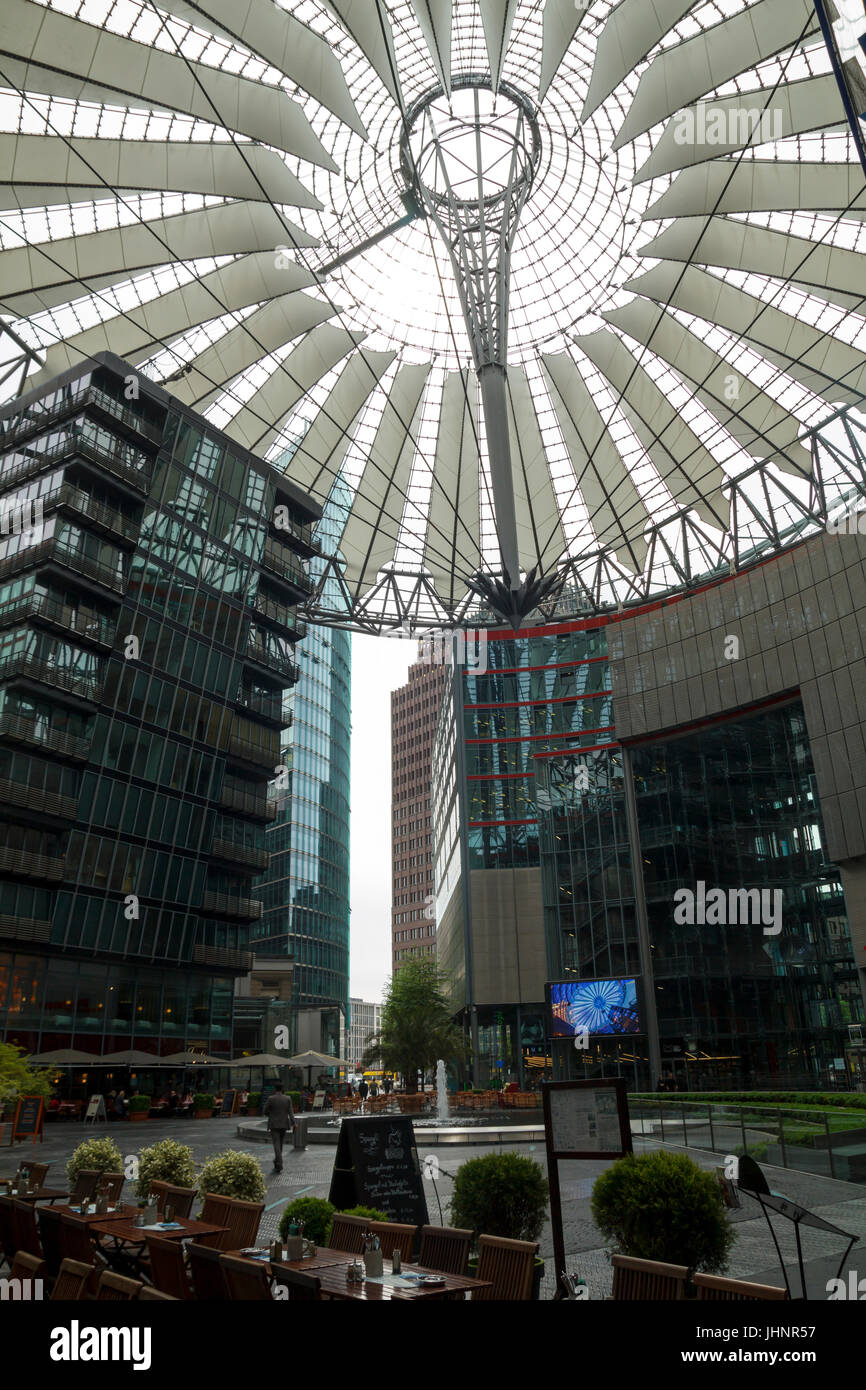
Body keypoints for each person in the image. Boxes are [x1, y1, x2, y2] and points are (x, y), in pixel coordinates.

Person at [264, 1083, 295, 1173]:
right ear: (282, 1089)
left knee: (276, 1144)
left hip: (274, 1124)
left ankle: (279, 1163)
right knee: (280, 1144)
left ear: (275, 1089)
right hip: (284, 1124)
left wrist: (270, 1114)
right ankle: (277, 1161)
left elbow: (265, 1111)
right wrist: (294, 1123)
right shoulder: (288, 1098)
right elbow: (291, 1112)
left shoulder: (271, 1099)